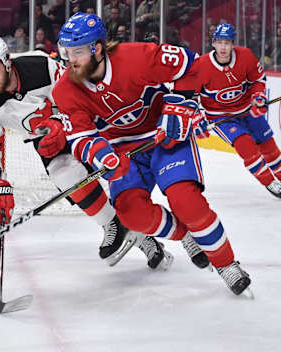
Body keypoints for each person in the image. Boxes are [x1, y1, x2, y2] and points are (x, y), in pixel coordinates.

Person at [45, 13, 251, 296]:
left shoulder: (137, 57)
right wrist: (102, 156)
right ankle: (186, 235)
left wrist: (179, 106)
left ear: (98, 48)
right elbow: (80, 138)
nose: (70, 59)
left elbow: (191, 65)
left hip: (165, 137)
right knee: (132, 215)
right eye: (66, 52)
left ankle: (227, 264)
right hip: (122, 152)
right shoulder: (65, 90)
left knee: (187, 202)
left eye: (77, 52)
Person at [0, 34, 172, 269]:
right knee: (64, 175)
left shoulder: (40, 66)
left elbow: (74, 92)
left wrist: (59, 120)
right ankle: (115, 226)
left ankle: (152, 225)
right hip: (46, 142)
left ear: (6, 61)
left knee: (116, 175)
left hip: (80, 123)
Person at [178, 24, 281, 198]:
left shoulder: (245, 56)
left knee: (269, 146)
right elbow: (189, 97)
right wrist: (195, 117)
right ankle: (270, 182)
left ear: (233, 43)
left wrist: (258, 96)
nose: (223, 47)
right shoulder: (201, 65)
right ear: (213, 43)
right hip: (221, 117)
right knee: (246, 145)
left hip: (248, 110)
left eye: (227, 42)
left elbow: (257, 80)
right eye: (219, 42)